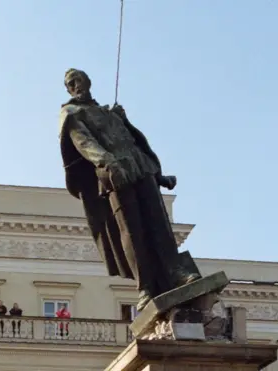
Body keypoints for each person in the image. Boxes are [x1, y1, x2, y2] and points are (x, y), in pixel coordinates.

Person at [58, 68, 201, 311]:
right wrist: (107, 162)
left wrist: (158, 174)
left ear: (89, 81)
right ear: (68, 89)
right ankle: (145, 287)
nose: (76, 85)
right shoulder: (71, 113)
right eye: (71, 83)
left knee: (159, 223)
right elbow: (84, 143)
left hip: (140, 167)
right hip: (114, 175)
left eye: (79, 80)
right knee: (131, 229)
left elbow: (135, 140)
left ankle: (176, 272)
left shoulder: (110, 113)